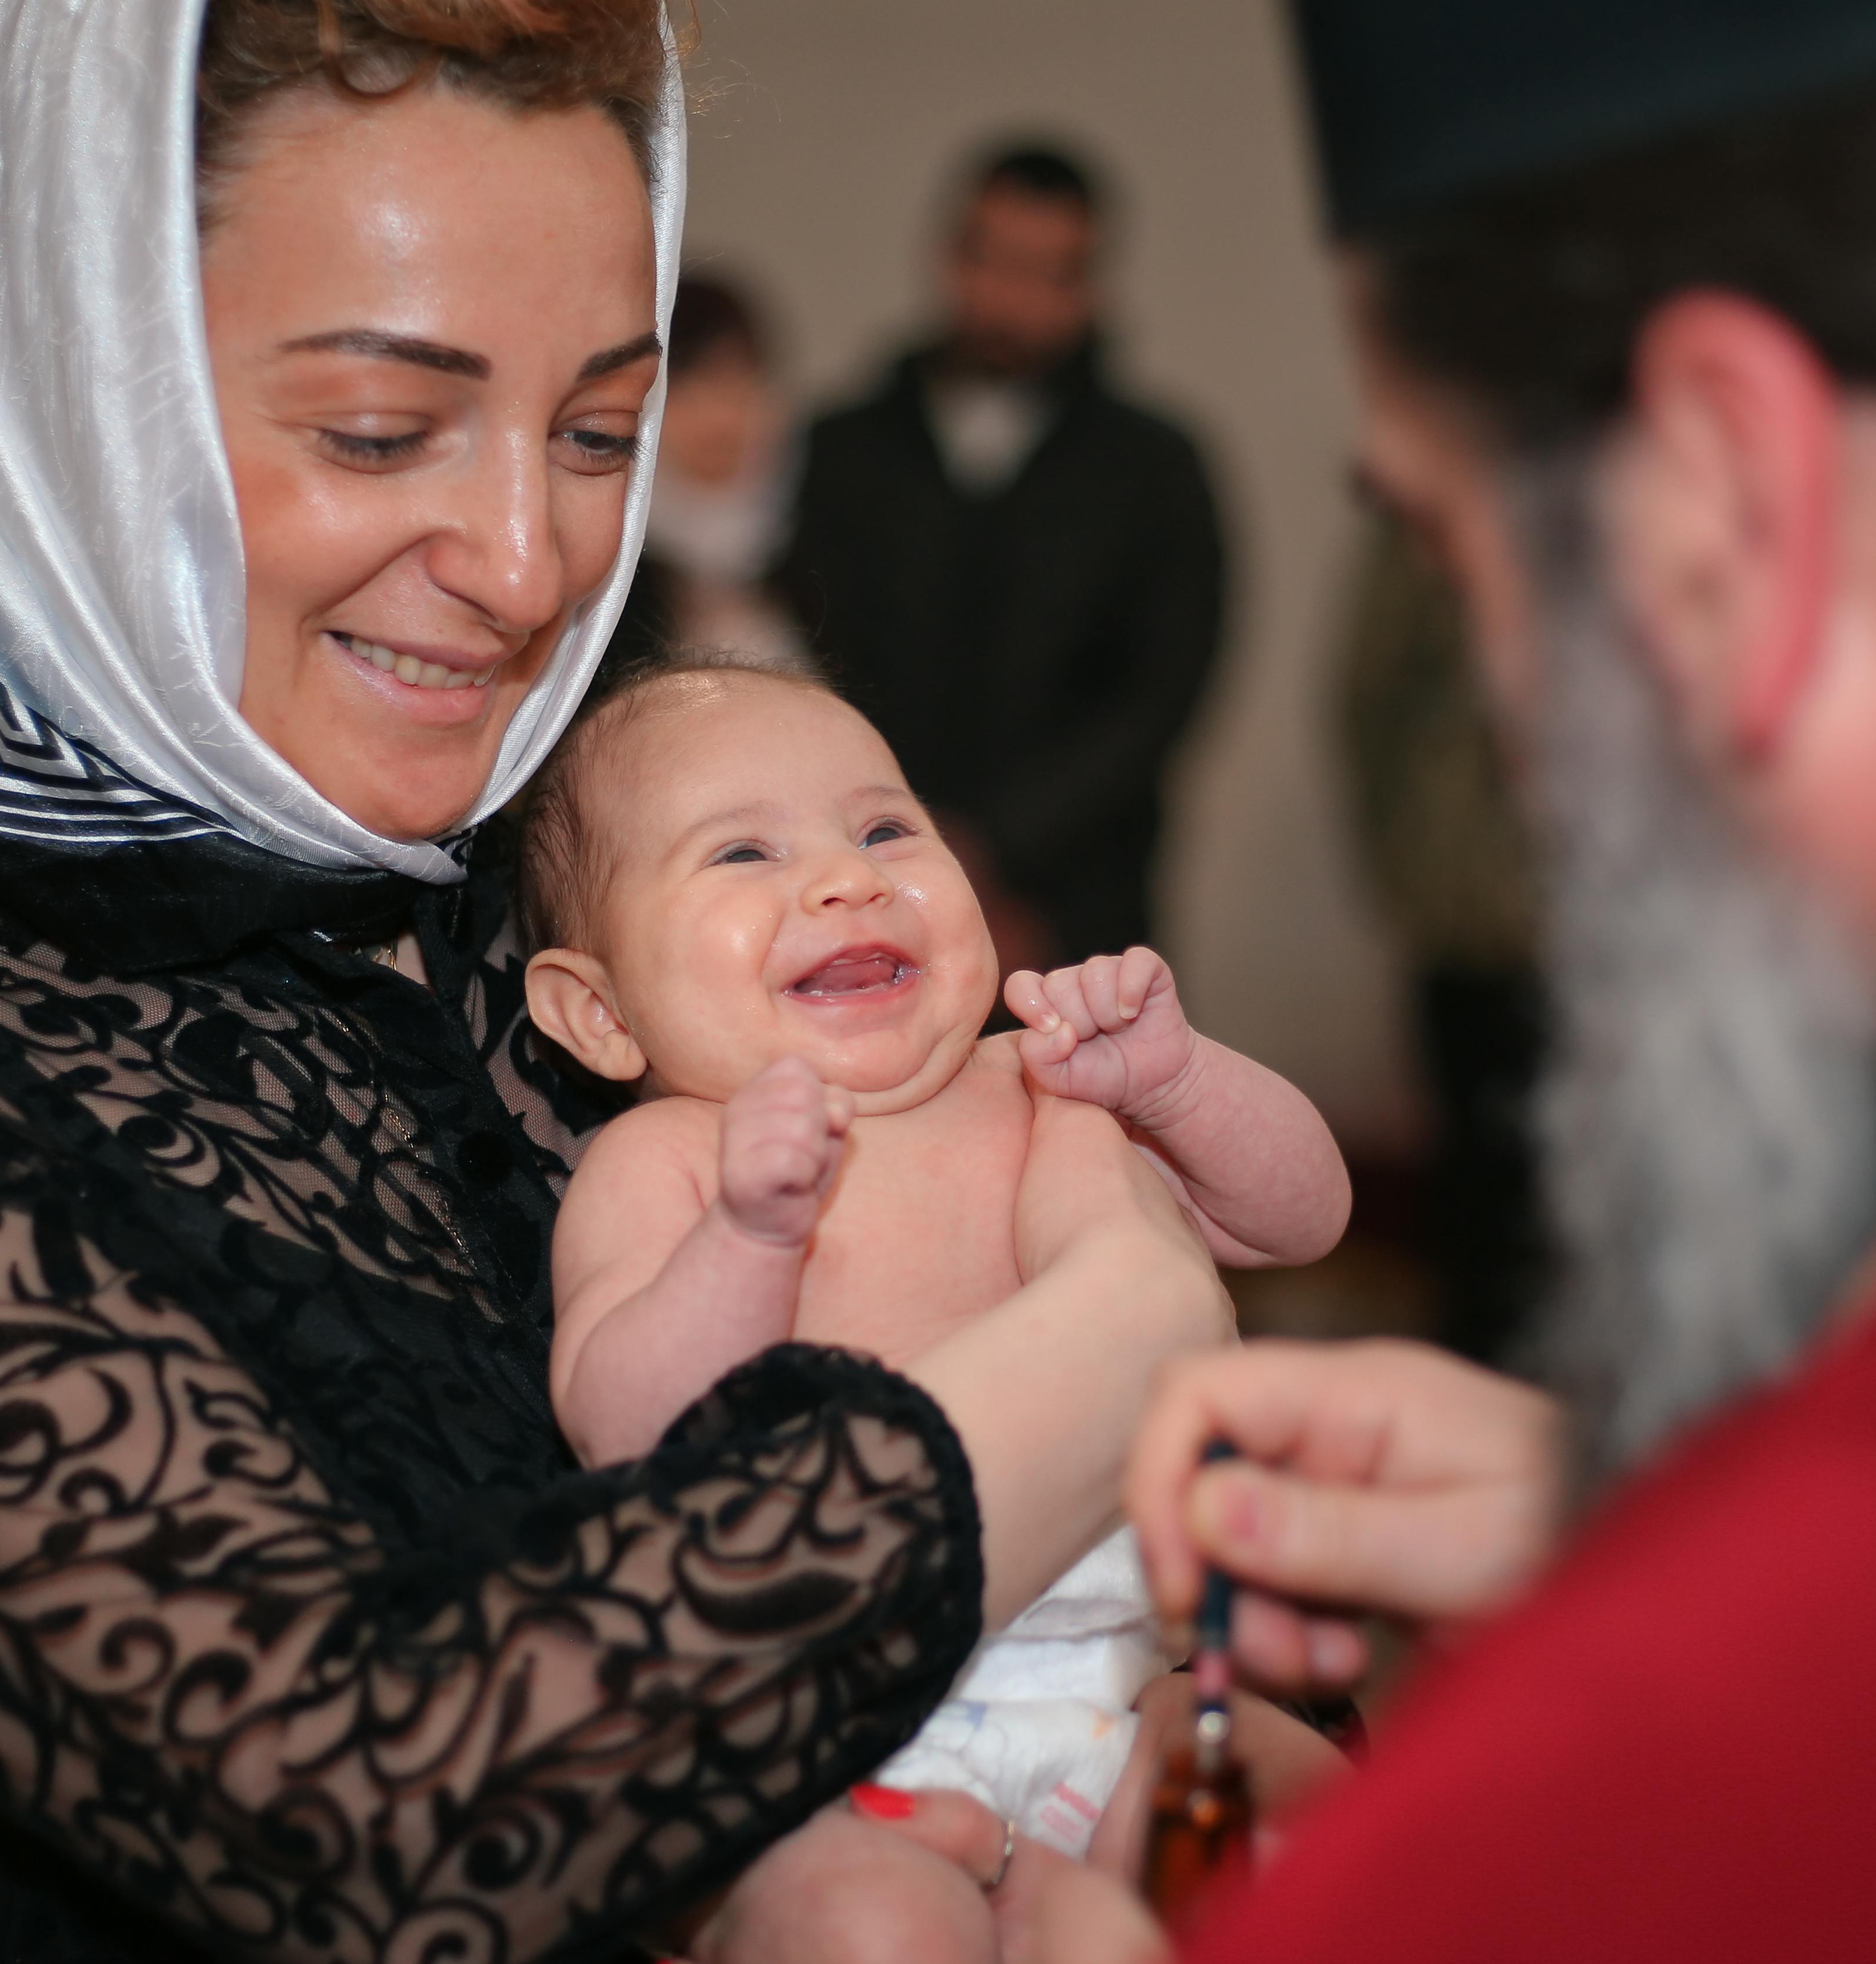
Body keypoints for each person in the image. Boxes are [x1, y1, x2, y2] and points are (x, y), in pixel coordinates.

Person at [656, 1, 1876, 1964]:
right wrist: (1609, 1516)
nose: (1513, 738)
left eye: (1450, 550)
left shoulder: (1554, 1894)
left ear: (1725, 508)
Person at [0, 6, 1228, 1964]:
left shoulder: (587, 930)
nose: (524, 564)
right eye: (385, 430)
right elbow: (389, 1828)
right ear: (62, 412)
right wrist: (1121, 1337)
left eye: (591, 434)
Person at [508, 658, 1349, 1964]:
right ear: (597, 1015)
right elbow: (622, 1422)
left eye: (887, 832)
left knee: (1342, 1829)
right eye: (745, 852)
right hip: (826, 1740)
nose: (844, 882)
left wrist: (1176, 1082)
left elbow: (1303, 1216)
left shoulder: (1043, 1083)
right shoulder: (669, 1165)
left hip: (1119, 1686)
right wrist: (747, 1240)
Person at [775, 142, 1226, 969]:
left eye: (1048, 272)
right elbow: (805, 653)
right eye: (994, 259)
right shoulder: (838, 450)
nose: (1012, 298)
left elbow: (1163, 691)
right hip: (855, 869)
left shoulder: (1153, 466)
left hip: (1081, 895)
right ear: (948, 257)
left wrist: (1001, 850)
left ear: (1091, 286)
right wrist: (905, 831)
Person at [1328, 506, 1553, 1365]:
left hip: (1621, 932)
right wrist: (1413, 867)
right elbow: (1369, 696)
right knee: (1482, 1204)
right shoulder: (1437, 506)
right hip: (1471, 917)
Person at [603, 276, 811, 671]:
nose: (723, 414)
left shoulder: (835, 537)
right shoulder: (605, 570)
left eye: (742, 378)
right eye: (692, 382)